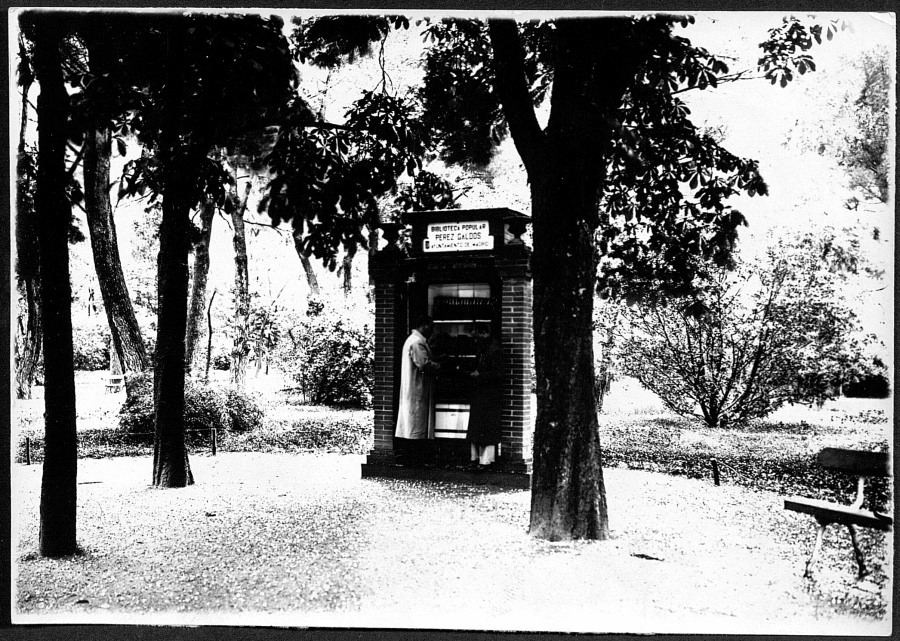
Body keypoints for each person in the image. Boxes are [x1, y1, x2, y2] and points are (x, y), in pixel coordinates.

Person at [395, 316, 441, 462]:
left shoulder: (412, 340)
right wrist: (440, 366)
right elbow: (424, 364)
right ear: (424, 326)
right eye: (431, 326)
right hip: (417, 389)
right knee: (417, 424)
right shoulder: (417, 342)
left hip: (414, 388)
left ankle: (412, 457)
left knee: (413, 423)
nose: (432, 330)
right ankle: (416, 458)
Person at [466, 324, 503, 468]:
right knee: (480, 427)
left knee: (484, 428)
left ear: (483, 333)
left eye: (477, 337)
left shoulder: (494, 351)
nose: (475, 341)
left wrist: (479, 375)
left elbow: (498, 373)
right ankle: (478, 459)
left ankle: (484, 459)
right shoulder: (488, 348)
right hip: (483, 393)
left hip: (489, 394)